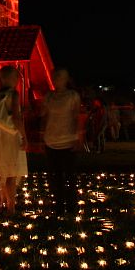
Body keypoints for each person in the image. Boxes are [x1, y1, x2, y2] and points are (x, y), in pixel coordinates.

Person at [40, 67, 81, 216]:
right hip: (51, 141)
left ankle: (72, 206)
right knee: (55, 177)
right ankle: (58, 206)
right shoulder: (49, 97)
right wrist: (42, 136)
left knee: (70, 176)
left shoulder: (72, 96)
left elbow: (76, 116)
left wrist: (78, 136)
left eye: (60, 77)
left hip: (68, 141)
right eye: (55, 77)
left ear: (66, 79)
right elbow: (44, 117)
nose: (57, 80)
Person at [0, 65, 28, 215]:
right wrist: (24, 136)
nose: (18, 80)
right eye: (16, 77)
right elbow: (16, 118)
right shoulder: (14, 94)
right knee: (11, 172)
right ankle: (10, 207)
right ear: (11, 78)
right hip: (11, 135)